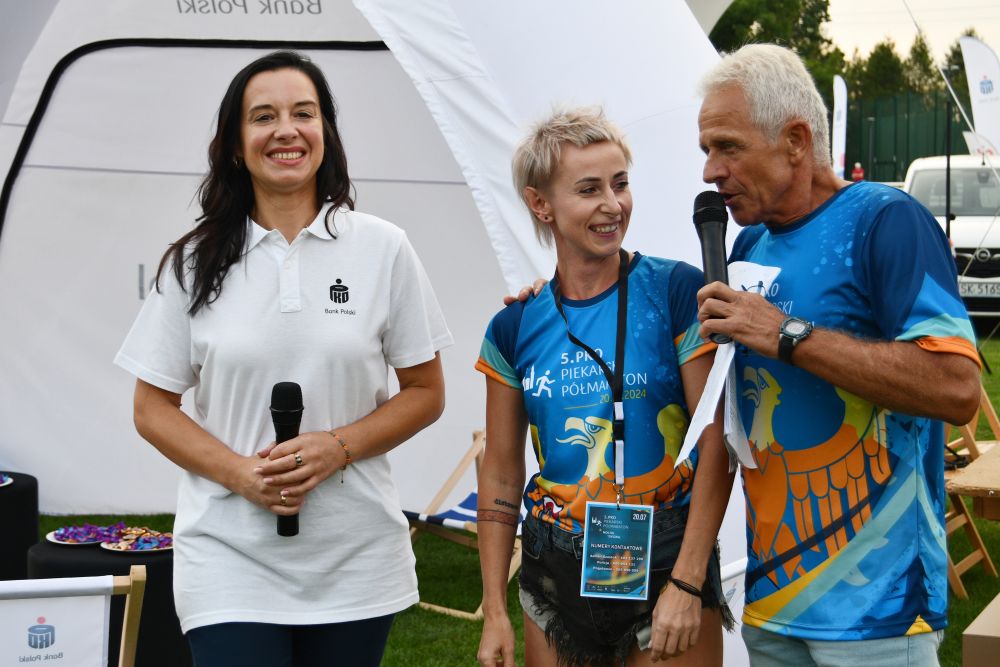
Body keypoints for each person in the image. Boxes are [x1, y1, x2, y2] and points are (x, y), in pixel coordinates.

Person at [114, 51, 452, 666]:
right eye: (263, 116)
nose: (286, 131)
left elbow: (426, 393)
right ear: (235, 145)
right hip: (228, 557)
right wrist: (240, 474)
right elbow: (151, 408)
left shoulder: (384, 249)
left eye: (304, 113)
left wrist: (337, 447)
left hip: (355, 558)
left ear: (326, 133)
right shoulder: (192, 262)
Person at [695, 44, 982, 666]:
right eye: (707, 150)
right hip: (773, 602)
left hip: (878, 614)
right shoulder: (747, 243)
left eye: (728, 147)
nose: (711, 171)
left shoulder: (887, 221)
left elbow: (957, 388)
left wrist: (787, 334)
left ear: (796, 140)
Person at [475, 107, 734, 667]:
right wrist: (494, 607)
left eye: (620, 184)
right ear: (540, 204)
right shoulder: (514, 326)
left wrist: (688, 581)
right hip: (555, 563)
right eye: (589, 189)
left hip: (667, 558)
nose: (613, 205)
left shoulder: (674, 292)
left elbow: (717, 440)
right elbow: (500, 469)